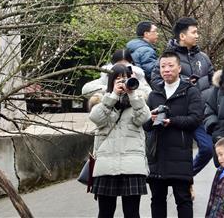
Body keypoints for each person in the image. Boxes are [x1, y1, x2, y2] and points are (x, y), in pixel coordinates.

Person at [151, 17, 215, 175]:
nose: (197, 35)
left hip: (199, 114)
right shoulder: (167, 58)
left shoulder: (203, 58)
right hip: (175, 113)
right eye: (194, 32)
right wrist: (184, 83)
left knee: (207, 149)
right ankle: (178, 179)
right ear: (182, 36)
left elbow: (214, 82)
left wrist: (207, 99)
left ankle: (187, 176)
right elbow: (156, 80)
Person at [144, 51, 204, 218]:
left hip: (180, 154)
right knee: (157, 199)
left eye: (170, 66)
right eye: (163, 66)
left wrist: (172, 121)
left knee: (183, 199)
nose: (166, 70)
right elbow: (145, 125)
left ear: (179, 68)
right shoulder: (154, 94)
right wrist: (151, 118)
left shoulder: (190, 91)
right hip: (157, 155)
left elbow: (196, 118)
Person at [88, 64, 152, 218]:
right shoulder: (101, 100)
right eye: (118, 79)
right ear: (111, 82)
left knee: (132, 213)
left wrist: (133, 94)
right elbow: (96, 118)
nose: (122, 82)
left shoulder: (138, 100)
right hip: (106, 165)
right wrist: (112, 96)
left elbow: (144, 118)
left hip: (132, 165)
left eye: (125, 79)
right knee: (105, 213)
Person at [81, 48, 151, 98]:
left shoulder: (137, 75)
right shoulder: (108, 76)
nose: (122, 69)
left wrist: (135, 83)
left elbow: (150, 94)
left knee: (141, 95)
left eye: (126, 66)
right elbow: (86, 90)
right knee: (97, 97)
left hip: (132, 111)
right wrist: (111, 88)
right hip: (110, 111)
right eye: (118, 66)